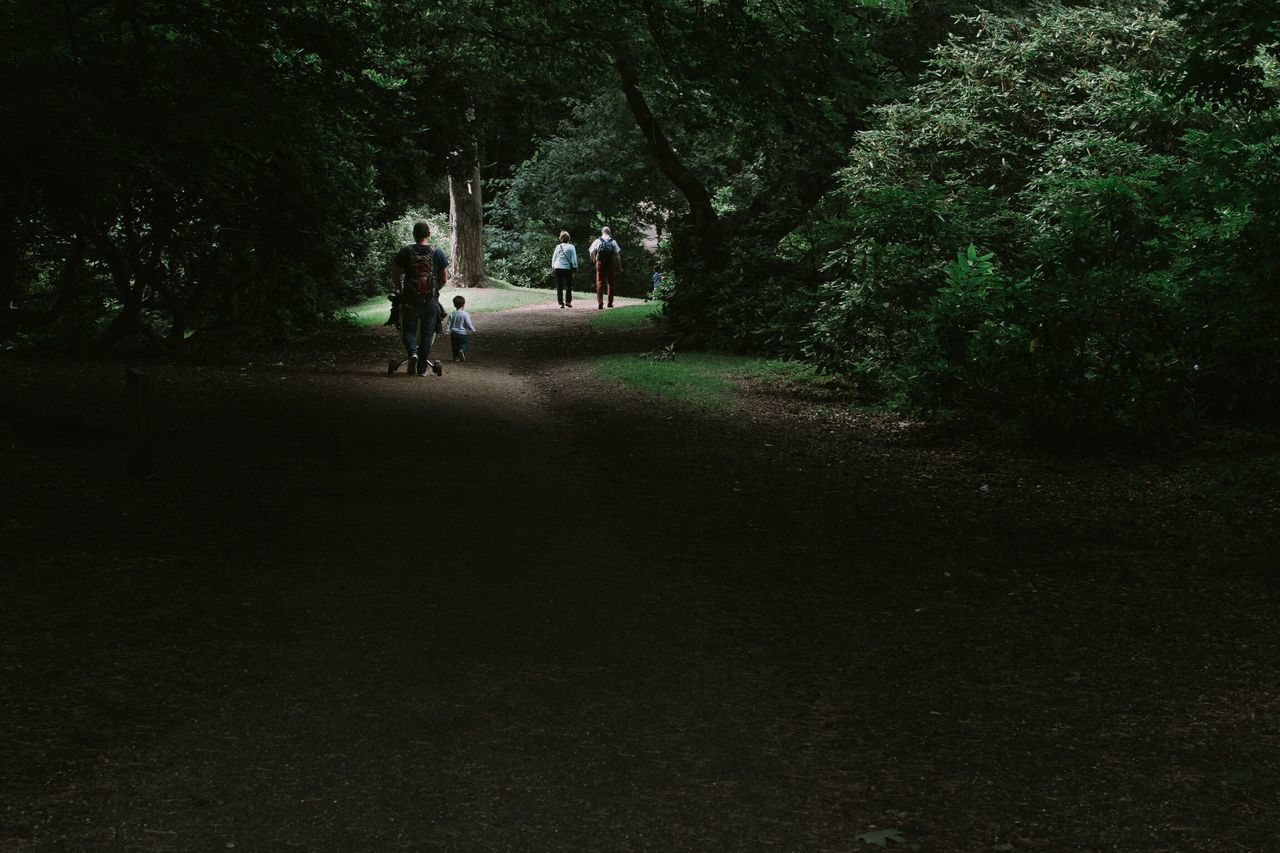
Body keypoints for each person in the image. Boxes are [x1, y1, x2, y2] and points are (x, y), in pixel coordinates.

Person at [389, 221, 449, 376]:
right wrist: (435, 291)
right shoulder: (437, 253)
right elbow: (444, 278)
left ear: (413, 235)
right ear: (428, 234)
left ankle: (412, 354)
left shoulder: (405, 252)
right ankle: (422, 369)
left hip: (410, 300)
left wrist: (401, 291)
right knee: (427, 333)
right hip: (430, 301)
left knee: (408, 330)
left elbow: (395, 275)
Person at [588, 226, 623, 310]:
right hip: (610, 264)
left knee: (600, 282)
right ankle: (610, 303)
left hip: (600, 263)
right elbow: (617, 256)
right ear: (609, 233)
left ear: (602, 232)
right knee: (610, 283)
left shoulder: (598, 241)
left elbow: (591, 252)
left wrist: (594, 259)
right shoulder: (613, 241)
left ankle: (600, 303)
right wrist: (619, 266)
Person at [550, 231, 578, 308]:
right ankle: (568, 302)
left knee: (559, 285)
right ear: (568, 238)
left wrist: (553, 267)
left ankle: (561, 303)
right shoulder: (571, 247)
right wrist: (575, 267)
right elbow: (574, 259)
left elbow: (554, 258)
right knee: (568, 285)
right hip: (567, 268)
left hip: (558, 267)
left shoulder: (558, 247)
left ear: (561, 238)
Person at [446, 294, 477, 362]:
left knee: (454, 346)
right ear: (463, 304)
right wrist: (473, 330)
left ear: (454, 305)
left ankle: (456, 357)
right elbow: (469, 324)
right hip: (462, 333)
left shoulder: (452, 314)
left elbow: (448, 324)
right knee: (464, 344)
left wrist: (447, 331)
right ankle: (462, 350)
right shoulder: (465, 314)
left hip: (454, 334)